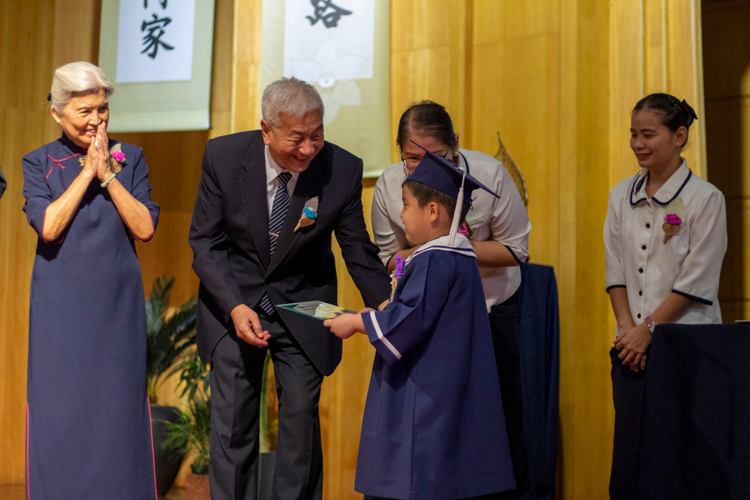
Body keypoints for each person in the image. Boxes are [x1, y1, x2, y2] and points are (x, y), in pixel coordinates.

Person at [188, 77, 391, 500]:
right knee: (232, 424)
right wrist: (233, 307)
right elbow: (205, 244)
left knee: (299, 421)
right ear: (266, 129)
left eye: (316, 136)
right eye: (295, 138)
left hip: (305, 303)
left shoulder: (342, 169)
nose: (307, 149)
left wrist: (389, 305)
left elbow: (357, 249)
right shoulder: (223, 157)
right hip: (234, 301)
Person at [325, 147, 517, 500]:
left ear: (431, 211)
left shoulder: (435, 260)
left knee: (417, 476)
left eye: (405, 205)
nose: (400, 215)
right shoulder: (459, 255)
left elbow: (408, 319)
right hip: (448, 383)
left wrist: (355, 322)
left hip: (425, 391)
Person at [371, 101, 531, 498]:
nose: (421, 166)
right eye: (410, 158)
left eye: (436, 156)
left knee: (494, 425)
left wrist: (451, 249)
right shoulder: (389, 185)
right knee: (430, 427)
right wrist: (420, 260)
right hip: (425, 324)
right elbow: (389, 256)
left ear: (455, 146)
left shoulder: (490, 174)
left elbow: (515, 249)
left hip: (489, 317)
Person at [22, 61, 159, 499]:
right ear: (57, 113)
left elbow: (144, 228)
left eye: (102, 109)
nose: (97, 120)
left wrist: (108, 175)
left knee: (118, 414)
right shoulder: (38, 161)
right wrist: (85, 173)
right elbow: (49, 227)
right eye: (85, 111)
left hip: (117, 307)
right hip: (60, 310)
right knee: (59, 414)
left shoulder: (130, 157)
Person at [606, 93, 727, 371]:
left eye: (648, 135)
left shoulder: (706, 198)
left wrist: (647, 329)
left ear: (679, 136)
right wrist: (627, 332)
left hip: (690, 346)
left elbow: (697, 280)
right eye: (633, 134)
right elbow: (615, 269)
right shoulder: (620, 195)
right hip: (630, 349)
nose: (638, 144)